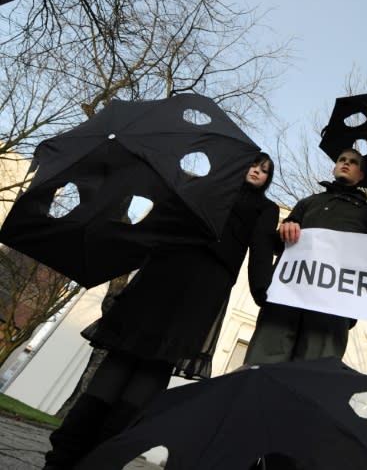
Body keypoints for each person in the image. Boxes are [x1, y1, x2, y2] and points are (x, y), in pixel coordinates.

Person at [44, 153, 280, 470]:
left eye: (265, 170)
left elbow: (262, 253)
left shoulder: (265, 209)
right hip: (161, 277)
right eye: (254, 164)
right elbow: (161, 224)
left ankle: (101, 461)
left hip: (202, 291)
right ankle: (61, 459)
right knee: (121, 358)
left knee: (154, 368)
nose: (257, 171)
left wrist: (266, 295)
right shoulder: (202, 187)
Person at [243, 148, 367, 365]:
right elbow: (280, 244)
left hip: (333, 306)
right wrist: (286, 228)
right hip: (287, 297)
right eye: (341, 159)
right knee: (263, 363)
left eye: (353, 162)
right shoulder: (309, 202)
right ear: (334, 167)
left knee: (313, 372)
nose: (346, 163)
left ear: (361, 176)